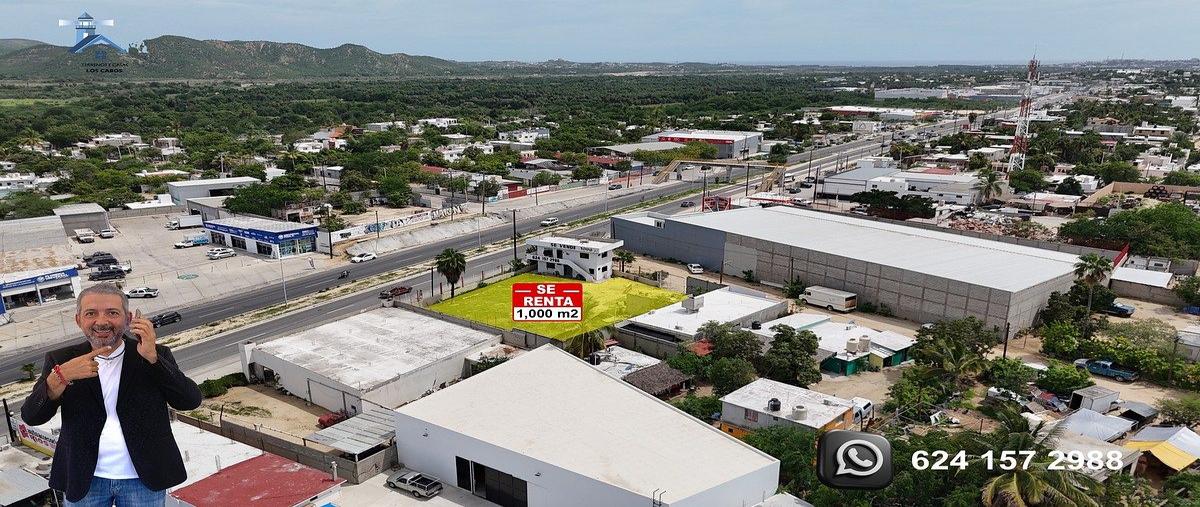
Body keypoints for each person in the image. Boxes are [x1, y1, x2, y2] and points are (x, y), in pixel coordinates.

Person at [22, 283, 202, 506]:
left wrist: (153, 360)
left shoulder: (152, 354)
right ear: (79, 320)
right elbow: (31, 416)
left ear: (127, 319)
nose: (101, 321)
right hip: (85, 478)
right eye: (91, 313)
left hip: (143, 477)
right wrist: (60, 376)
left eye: (112, 313)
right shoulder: (62, 360)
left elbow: (190, 401)